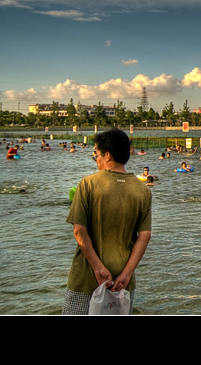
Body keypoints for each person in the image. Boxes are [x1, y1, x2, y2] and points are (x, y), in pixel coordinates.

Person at [62, 128, 152, 315]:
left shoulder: (88, 184)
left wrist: (98, 268)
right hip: (124, 282)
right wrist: (127, 273)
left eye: (97, 154)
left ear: (108, 155)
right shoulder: (142, 191)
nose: (96, 159)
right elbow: (144, 236)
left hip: (86, 279)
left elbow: (79, 231)